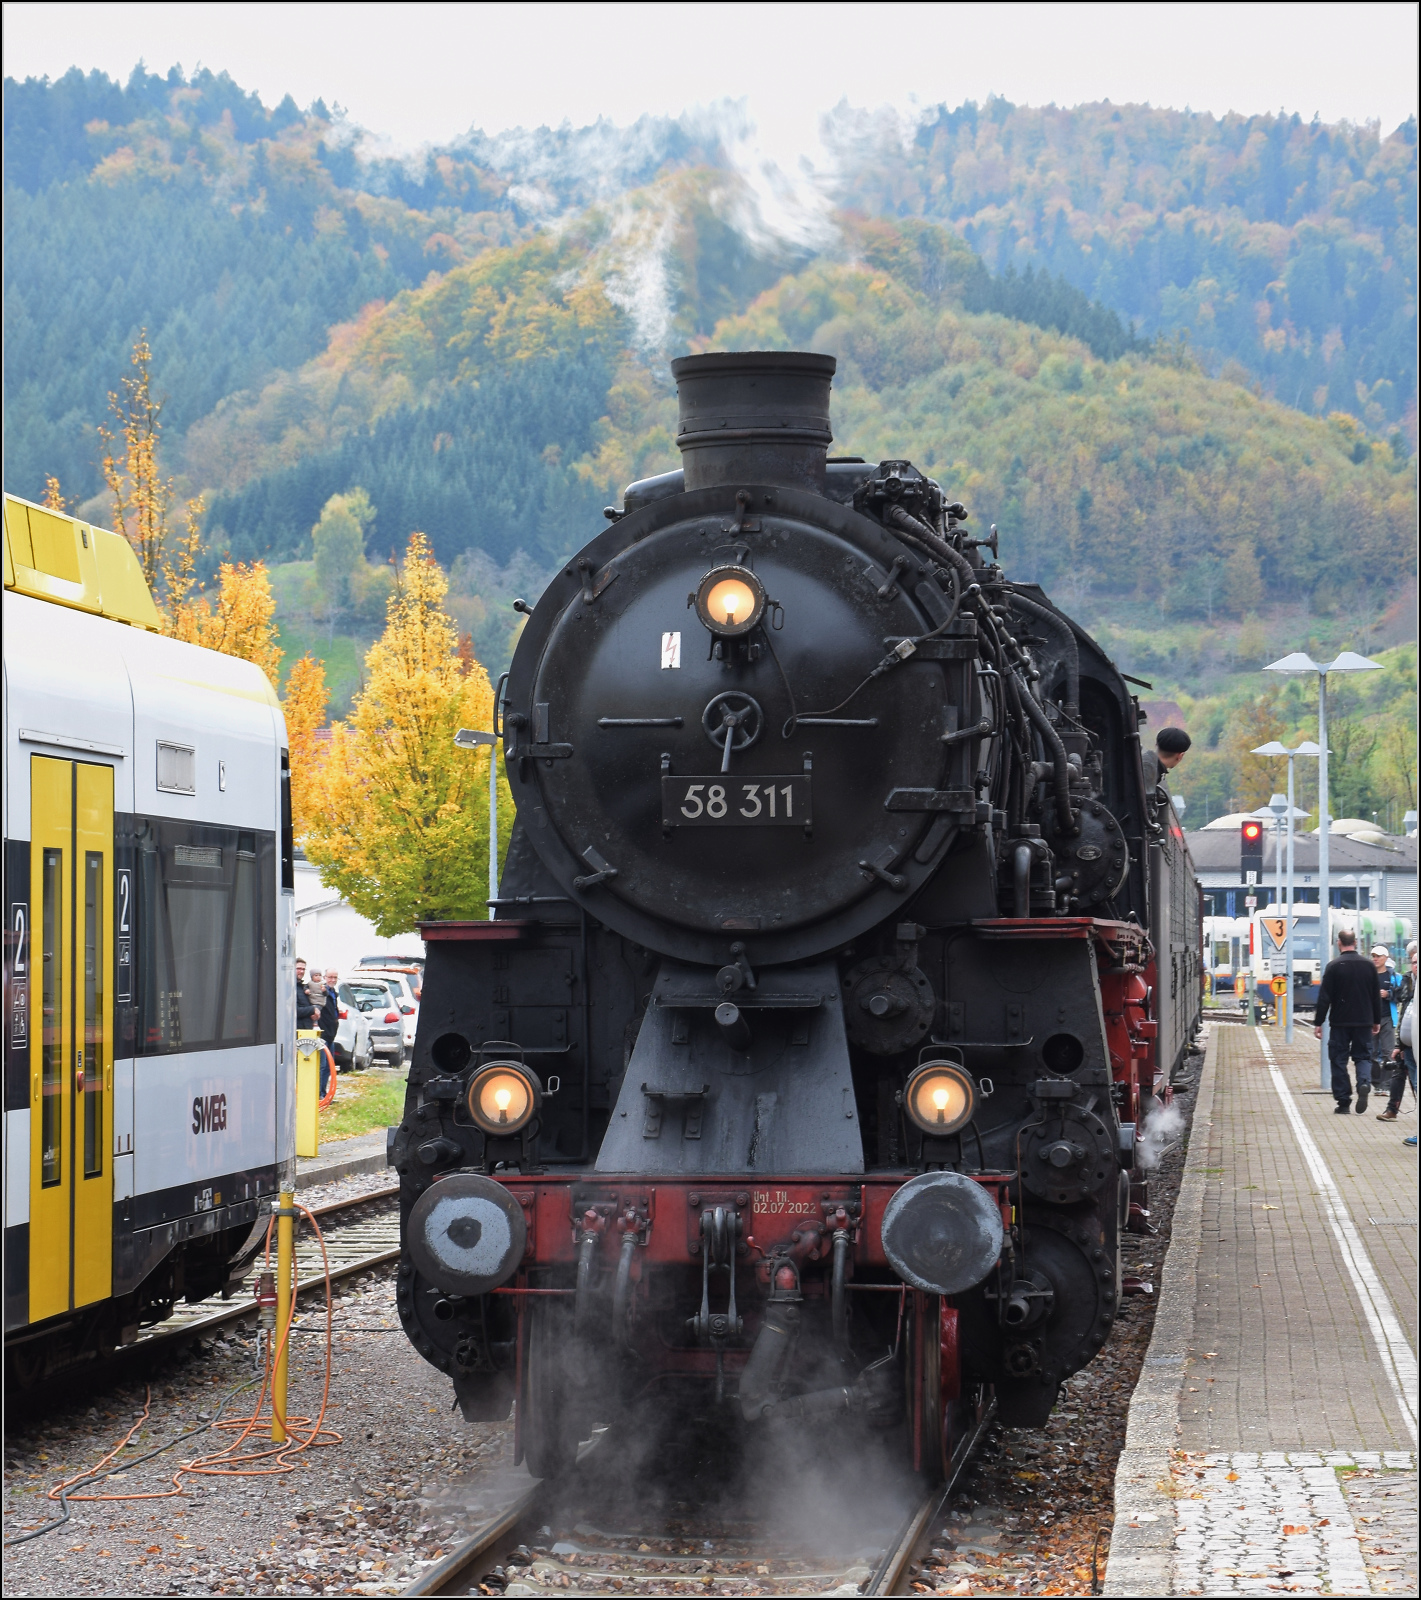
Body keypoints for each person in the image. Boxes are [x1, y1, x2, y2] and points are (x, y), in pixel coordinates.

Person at [1313, 927, 1383, 1113]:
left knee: (1338, 1060)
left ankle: (1343, 1102)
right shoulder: (1369, 966)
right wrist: (1376, 1020)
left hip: (1340, 1023)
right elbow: (1375, 997)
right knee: (1363, 1057)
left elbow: (1324, 997)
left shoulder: (1334, 966)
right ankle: (1364, 1083)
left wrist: (1318, 1022)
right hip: (1364, 1021)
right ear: (1356, 943)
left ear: (1339, 943)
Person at [1377, 942, 1417, 1125]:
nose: (1414, 964)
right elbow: (1404, 1008)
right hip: (1407, 1039)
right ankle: (1392, 1109)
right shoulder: (1408, 979)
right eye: (1412, 960)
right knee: (1399, 1072)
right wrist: (1399, 1043)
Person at [295, 957, 318, 1033]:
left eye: (303, 969)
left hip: (306, 1032)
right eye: (298, 968)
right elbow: (293, 1011)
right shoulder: (289, 988)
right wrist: (312, 1010)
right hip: (296, 1033)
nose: (301, 971)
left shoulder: (303, 988)